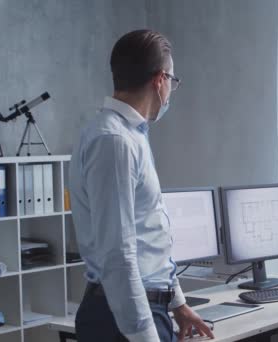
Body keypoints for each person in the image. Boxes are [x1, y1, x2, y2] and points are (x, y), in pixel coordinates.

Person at [69, 29, 214, 342]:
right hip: (122, 317)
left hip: (142, 308)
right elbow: (117, 253)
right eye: (173, 82)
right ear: (160, 80)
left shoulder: (131, 135)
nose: (172, 91)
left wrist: (178, 304)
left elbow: (148, 235)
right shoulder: (115, 142)